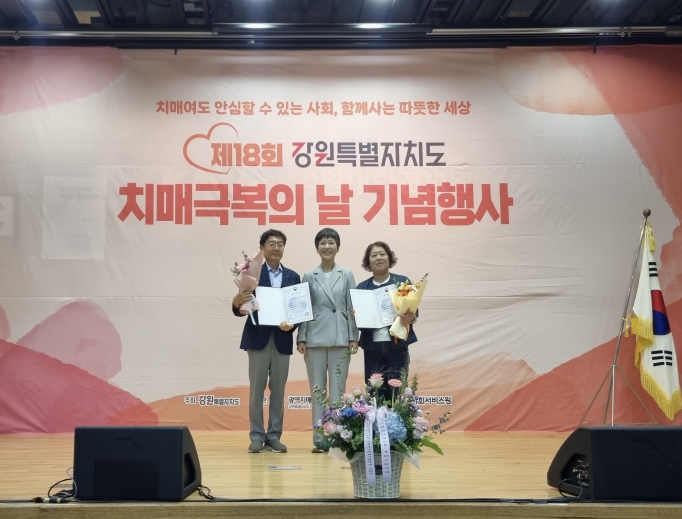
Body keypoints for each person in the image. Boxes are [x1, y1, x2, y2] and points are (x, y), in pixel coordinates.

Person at [232, 229, 300, 454]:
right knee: (256, 391)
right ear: (262, 248)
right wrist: (237, 301)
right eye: (271, 243)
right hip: (258, 339)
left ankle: (273, 436)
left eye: (280, 244)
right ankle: (256, 436)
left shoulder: (293, 276)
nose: (276, 248)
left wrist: (292, 325)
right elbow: (241, 307)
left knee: (278, 392)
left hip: (281, 339)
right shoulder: (252, 274)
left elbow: (297, 310)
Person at [296, 228, 359, 452]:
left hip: (340, 337)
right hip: (314, 338)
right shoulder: (308, 275)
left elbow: (352, 307)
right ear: (317, 248)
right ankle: (320, 439)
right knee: (318, 391)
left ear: (338, 247)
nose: (327, 246)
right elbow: (304, 308)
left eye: (331, 242)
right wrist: (301, 337)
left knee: (338, 391)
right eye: (322, 243)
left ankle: (337, 438)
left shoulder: (347, 274)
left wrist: (354, 337)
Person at [354, 241, 417, 399]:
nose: (378, 258)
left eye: (382, 254)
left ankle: (397, 416)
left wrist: (410, 317)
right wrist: (357, 316)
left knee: (397, 392)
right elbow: (359, 322)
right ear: (368, 261)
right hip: (372, 348)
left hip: (397, 346)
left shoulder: (402, 282)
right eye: (374, 255)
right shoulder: (362, 287)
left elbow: (413, 311)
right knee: (375, 393)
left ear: (389, 258)